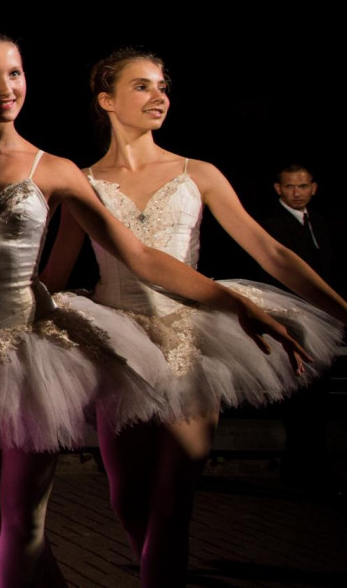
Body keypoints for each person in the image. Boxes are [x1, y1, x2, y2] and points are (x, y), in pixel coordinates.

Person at [0, 33, 213, 587]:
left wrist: (233, 301)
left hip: (32, 355)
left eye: (14, 73)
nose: (5, 88)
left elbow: (138, 254)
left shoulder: (55, 169)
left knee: (23, 521)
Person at [45, 47, 346, 587]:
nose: (159, 96)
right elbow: (57, 272)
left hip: (192, 340)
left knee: (173, 502)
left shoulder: (197, 173)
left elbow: (270, 251)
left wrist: (342, 310)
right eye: (142, 86)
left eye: (163, 86)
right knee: (127, 498)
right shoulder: (81, 183)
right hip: (119, 347)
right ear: (107, 100)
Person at [262, 164, 334, 280]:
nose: (297, 194)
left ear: (313, 188)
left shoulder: (319, 219)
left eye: (303, 186)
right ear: (278, 188)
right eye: (290, 187)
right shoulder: (268, 223)